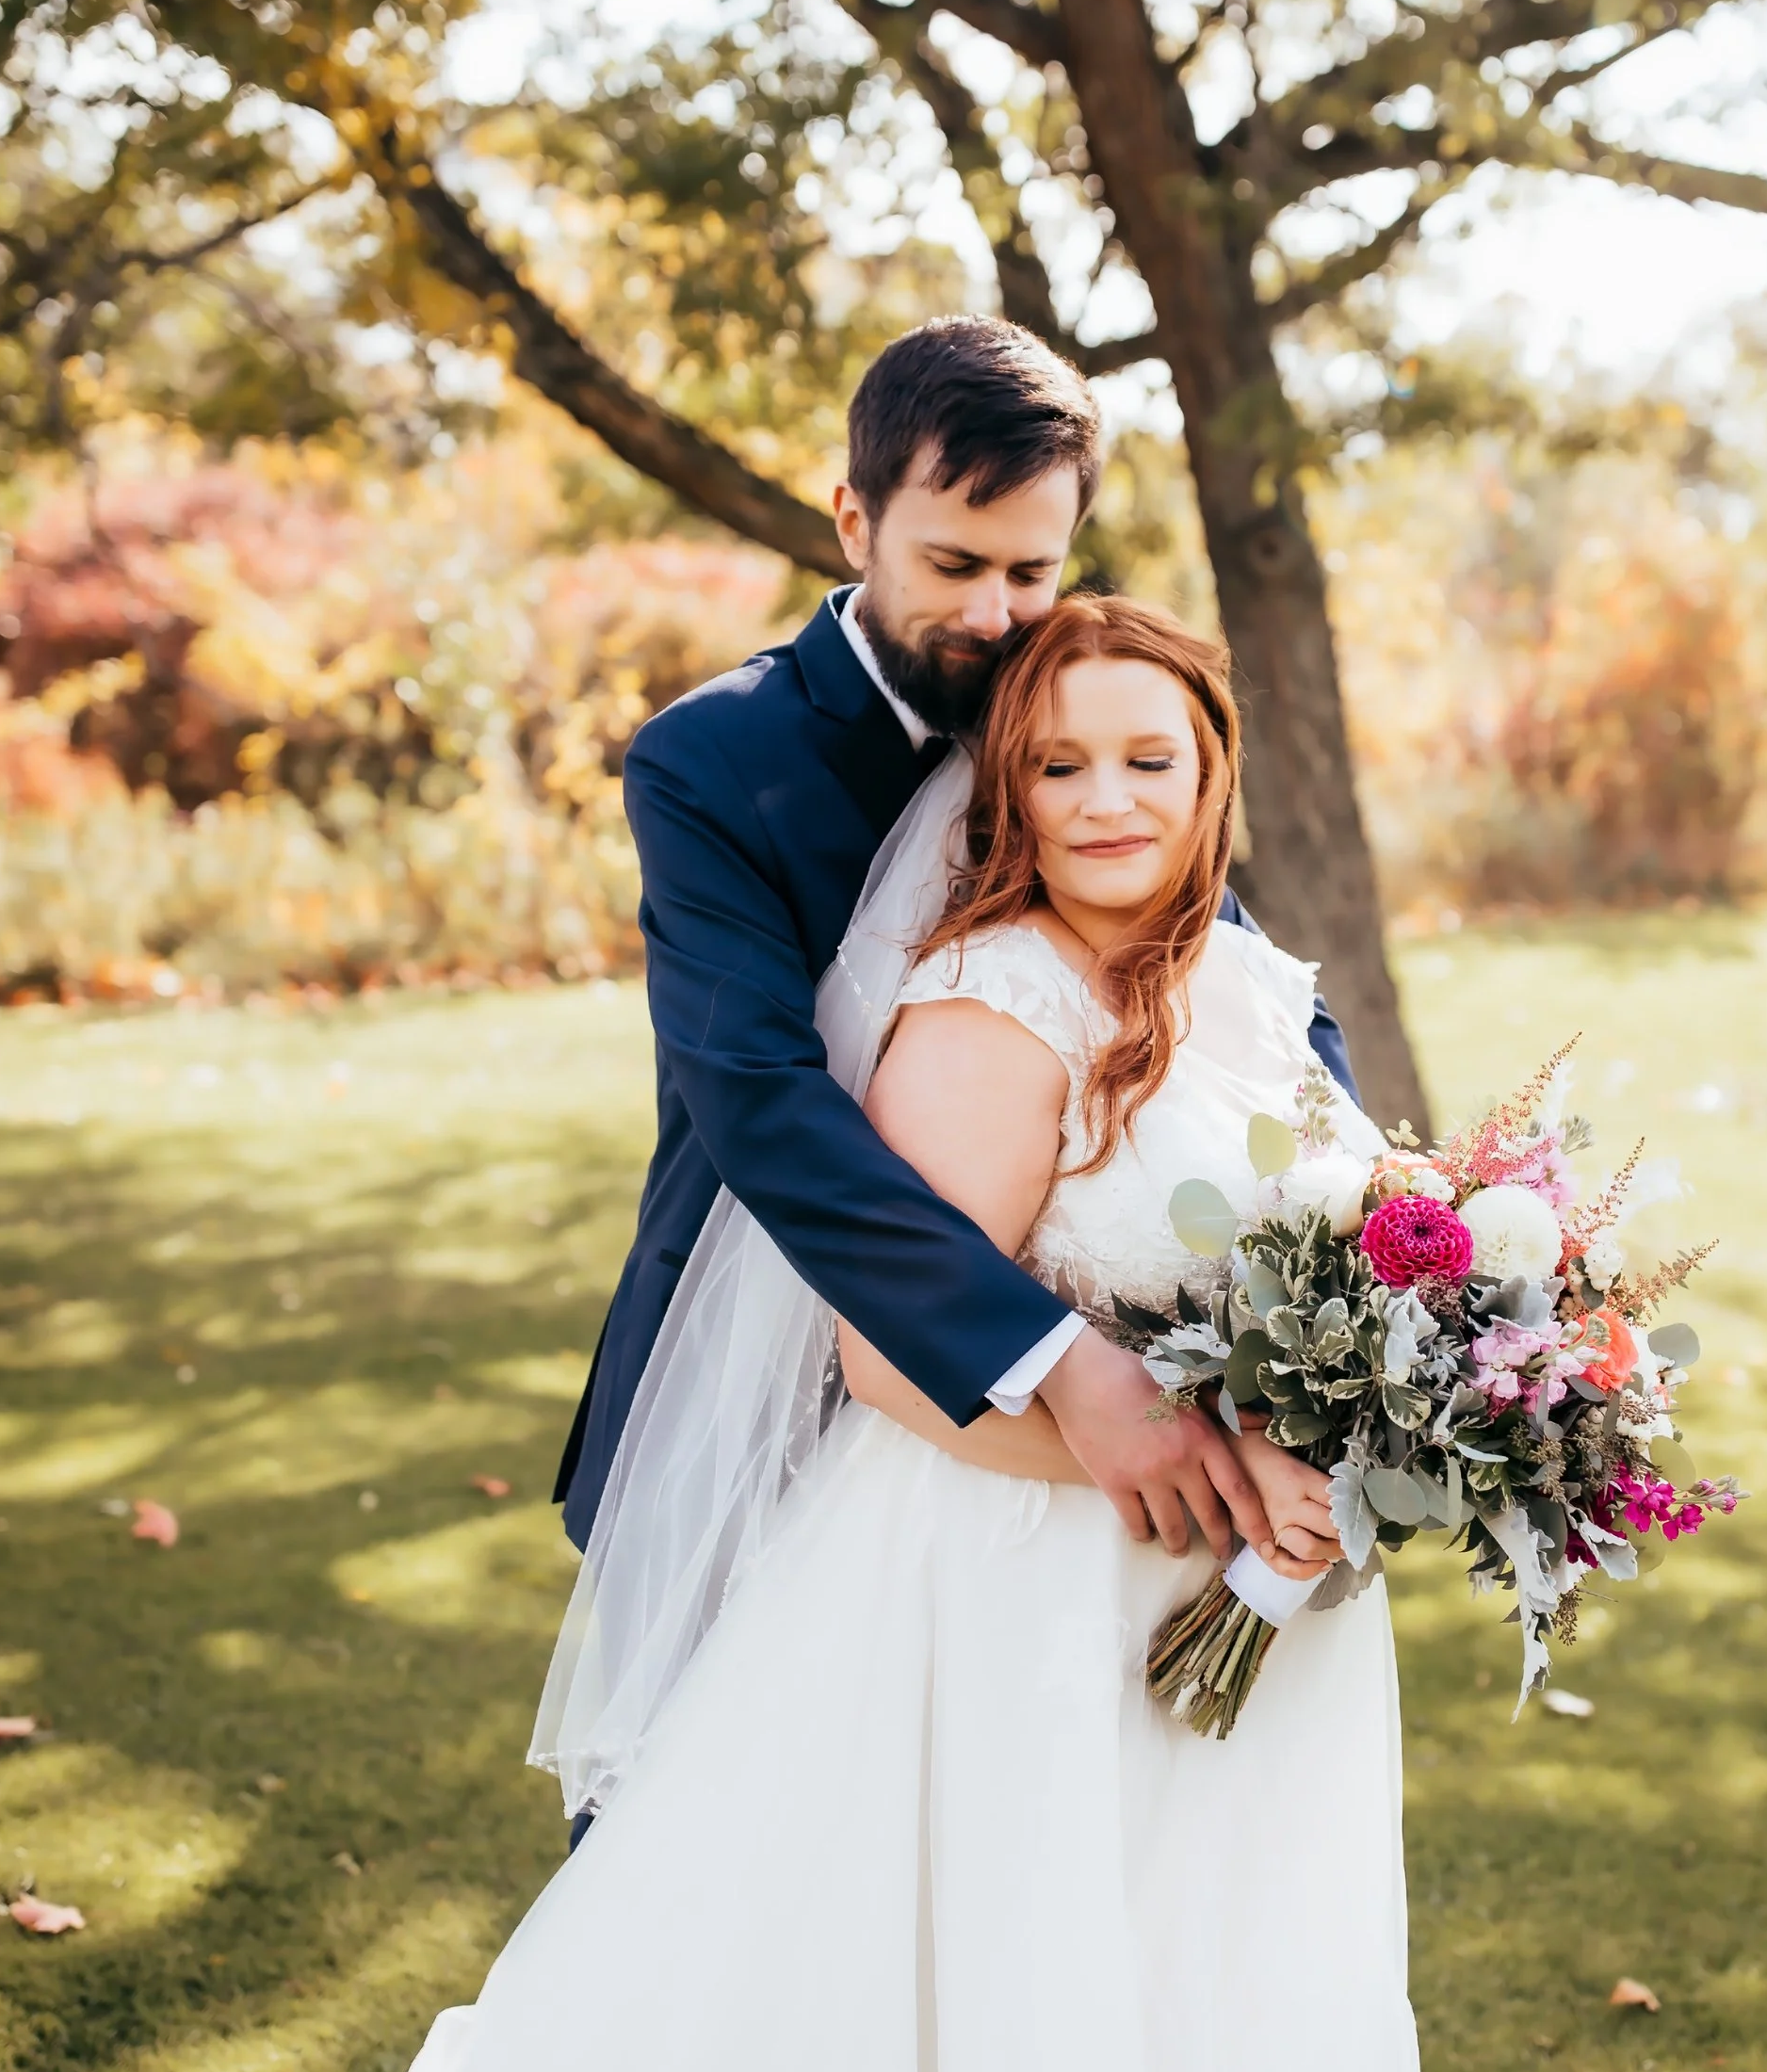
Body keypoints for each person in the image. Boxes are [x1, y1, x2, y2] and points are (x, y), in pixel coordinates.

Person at [0, 594, 1427, 2072]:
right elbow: (891, 1362)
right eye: (1056, 763)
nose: (1099, 800)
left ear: (1210, 774)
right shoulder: (987, 998)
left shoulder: (1251, 989)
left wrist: (1352, 1444)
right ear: (1006, 784)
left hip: (1222, 1650)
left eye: (1142, 761)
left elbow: (1349, 1278)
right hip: (990, 1628)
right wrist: (1148, 1453)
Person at [556, 312, 1358, 1597]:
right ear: (854, 523)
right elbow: (761, 1100)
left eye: (1031, 571)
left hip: (1031, 1486)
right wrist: (1048, 1356)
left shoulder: (1079, 714)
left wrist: (1374, 1260)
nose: (995, 616)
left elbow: (1231, 964)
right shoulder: (712, 763)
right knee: (692, 1792)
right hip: (751, 1365)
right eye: (954, 562)